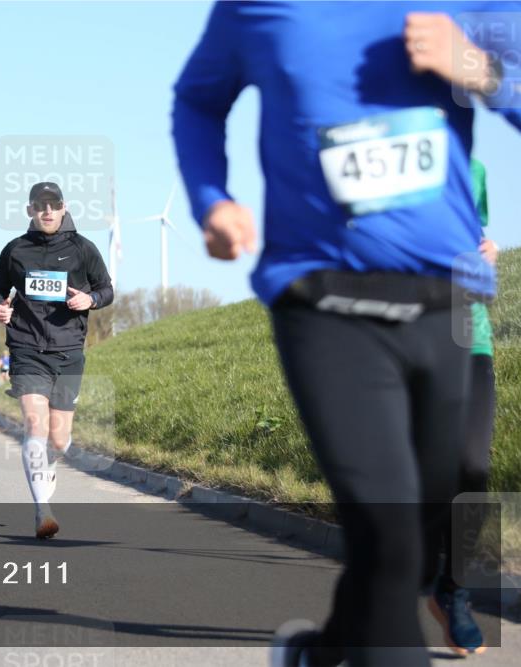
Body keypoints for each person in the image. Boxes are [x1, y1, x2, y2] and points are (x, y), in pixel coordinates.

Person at [171, 6, 520, 666]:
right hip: (322, 296)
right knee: (389, 537)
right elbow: (197, 98)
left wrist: (477, 68)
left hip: (445, 303)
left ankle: (322, 653)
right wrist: (211, 200)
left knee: (416, 538)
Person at [0, 182, 114, 539]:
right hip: (27, 348)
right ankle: (42, 510)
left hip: (69, 350)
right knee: (33, 422)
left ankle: (50, 462)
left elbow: (106, 288)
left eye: (53, 205)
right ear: (30, 210)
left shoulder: (82, 249)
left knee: (58, 439)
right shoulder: (15, 250)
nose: (47, 211)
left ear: (63, 208)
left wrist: (90, 300)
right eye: (40, 205)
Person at [428, 159, 498, 655]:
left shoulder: (473, 167)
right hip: (406, 335)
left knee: (475, 465)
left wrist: (487, 254)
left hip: (469, 336)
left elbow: (479, 236)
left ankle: (456, 592)